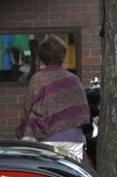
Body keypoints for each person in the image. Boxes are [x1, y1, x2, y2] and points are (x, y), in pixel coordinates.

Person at [16, 35, 90, 164]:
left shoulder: (38, 78)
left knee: (48, 176)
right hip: (74, 138)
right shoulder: (74, 79)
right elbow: (83, 111)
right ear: (62, 55)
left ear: (42, 57)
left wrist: (22, 129)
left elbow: (27, 108)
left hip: (48, 138)